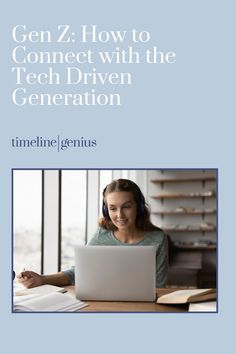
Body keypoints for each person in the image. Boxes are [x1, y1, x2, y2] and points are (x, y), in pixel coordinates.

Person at [17, 178, 168, 288]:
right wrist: (42, 279)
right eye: (113, 208)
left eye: (126, 207)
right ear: (106, 210)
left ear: (139, 207)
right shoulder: (101, 236)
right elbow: (77, 273)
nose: (120, 215)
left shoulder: (158, 239)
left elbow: (159, 285)